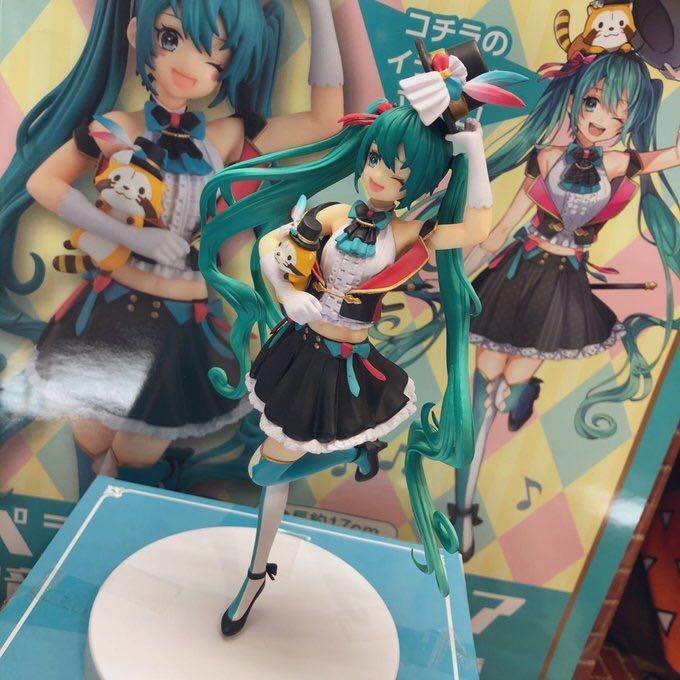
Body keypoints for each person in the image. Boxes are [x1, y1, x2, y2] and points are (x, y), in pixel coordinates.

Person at [200, 44, 527, 632]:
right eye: (377, 158)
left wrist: (471, 148)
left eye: (398, 172)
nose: (378, 175)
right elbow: (270, 249)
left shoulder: (407, 233)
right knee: (265, 469)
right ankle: (261, 567)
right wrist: (287, 294)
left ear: (414, 183)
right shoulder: (330, 216)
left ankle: (255, 571)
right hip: (300, 351)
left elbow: (478, 227)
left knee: (267, 468)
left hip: (348, 361)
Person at [0, 0, 344, 485]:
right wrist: (124, 233)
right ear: (137, 33)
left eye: (214, 55)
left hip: (181, 325)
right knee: (92, 441)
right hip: (109, 313)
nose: (188, 64)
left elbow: (327, 122)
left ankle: (126, 505)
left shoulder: (227, 136)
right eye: (170, 38)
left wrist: (323, 10)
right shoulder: (117, 128)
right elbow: (43, 182)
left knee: (135, 456)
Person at [451, 50, 680, 561]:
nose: (600, 119)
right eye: (594, 102)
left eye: (618, 112)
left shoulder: (620, 163)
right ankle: (462, 509)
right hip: (519, 271)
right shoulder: (546, 157)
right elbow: (505, 224)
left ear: (630, 119)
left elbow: (672, 155)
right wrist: (460, 274)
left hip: (562, 286)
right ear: (576, 99)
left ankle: (523, 389)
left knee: (511, 379)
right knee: (484, 385)